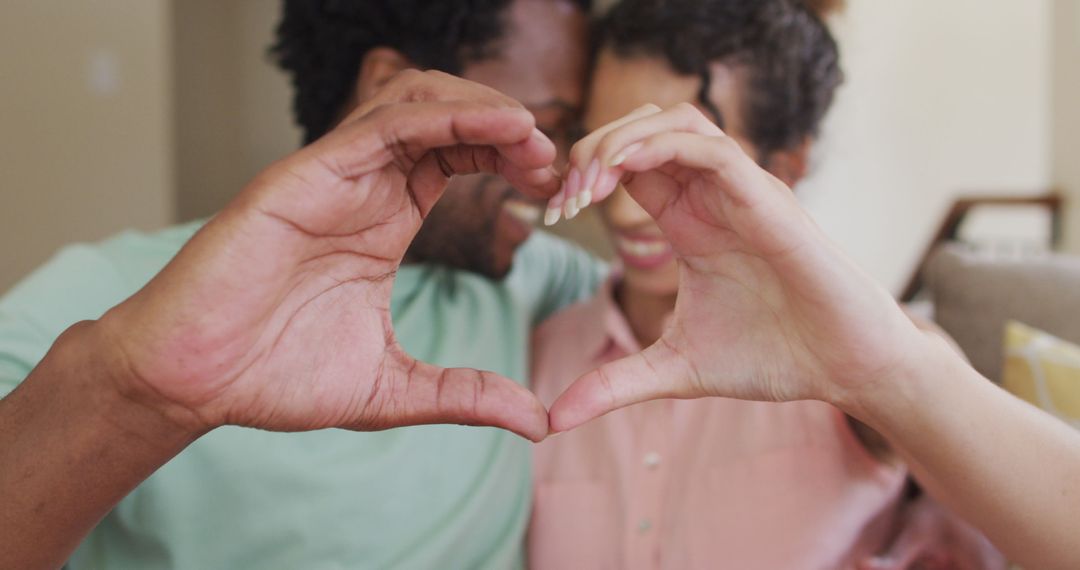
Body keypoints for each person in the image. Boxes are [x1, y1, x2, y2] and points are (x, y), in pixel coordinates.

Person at [0, 1, 603, 567]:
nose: (561, 170)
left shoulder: (534, 278)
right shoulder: (101, 296)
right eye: (548, 127)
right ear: (395, 90)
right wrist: (131, 397)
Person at [531, 1, 1001, 568]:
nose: (624, 213)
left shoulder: (863, 358)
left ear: (787, 164)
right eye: (601, 146)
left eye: (672, 159)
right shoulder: (540, 351)